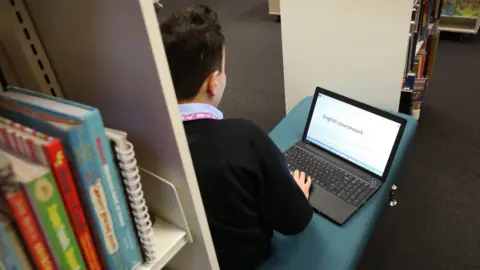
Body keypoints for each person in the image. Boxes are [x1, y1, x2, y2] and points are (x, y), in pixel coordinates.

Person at [160, 4, 313, 269]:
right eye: (224, 70)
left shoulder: (147, 134)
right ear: (213, 82)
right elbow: (295, 221)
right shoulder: (244, 138)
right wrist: (297, 193)